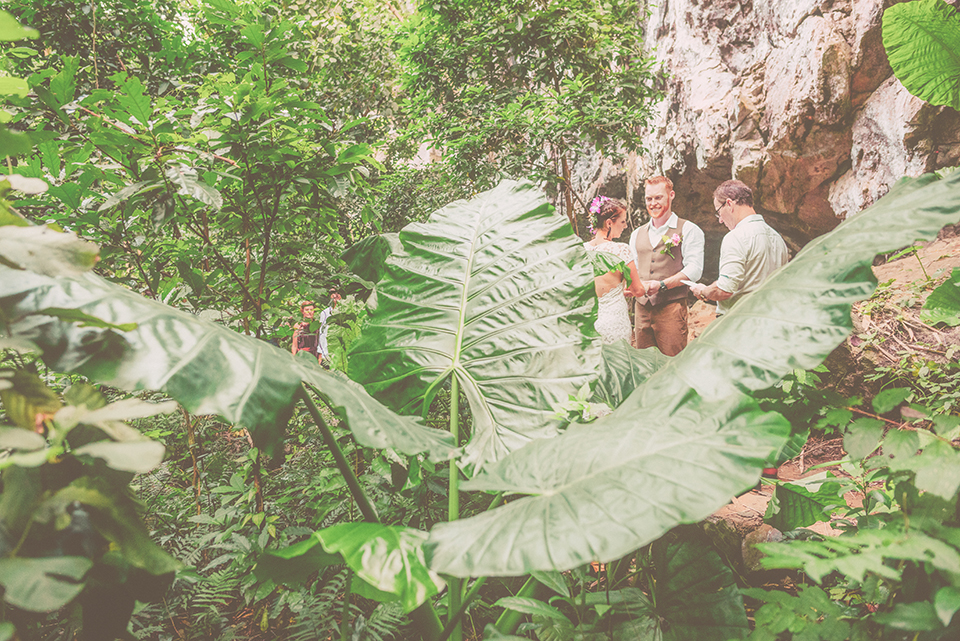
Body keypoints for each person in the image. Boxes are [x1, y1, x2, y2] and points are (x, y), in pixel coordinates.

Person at [628, 176, 704, 356]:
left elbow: (695, 269)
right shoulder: (636, 234)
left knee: (672, 363)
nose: (653, 203)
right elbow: (635, 269)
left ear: (671, 195)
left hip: (671, 308)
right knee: (643, 365)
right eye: (649, 199)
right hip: (641, 309)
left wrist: (662, 285)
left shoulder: (689, 229)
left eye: (658, 198)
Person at [689, 180, 788, 315]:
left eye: (718, 212)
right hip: (771, 318)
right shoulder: (777, 238)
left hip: (739, 321)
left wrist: (703, 291)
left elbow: (724, 290)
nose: (720, 220)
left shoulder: (735, 237)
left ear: (729, 204)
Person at [583, 197, 641, 344]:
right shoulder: (621, 250)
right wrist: (658, 284)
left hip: (588, 323)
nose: (626, 226)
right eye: (622, 221)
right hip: (614, 323)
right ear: (609, 223)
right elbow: (638, 290)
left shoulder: (581, 250)